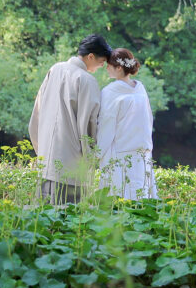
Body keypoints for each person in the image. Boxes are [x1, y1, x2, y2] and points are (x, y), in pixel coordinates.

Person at [29, 34, 112, 204]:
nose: (102, 66)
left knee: (42, 219)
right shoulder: (87, 80)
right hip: (72, 164)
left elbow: (37, 113)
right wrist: (91, 158)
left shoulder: (55, 69)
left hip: (46, 160)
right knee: (68, 221)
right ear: (90, 56)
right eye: (101, 61)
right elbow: (90, 124)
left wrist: (41, 150)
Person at [97, 48, 158, 199]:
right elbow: (148, 120)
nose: (106, 68)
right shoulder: (140, 89)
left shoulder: (110, 92)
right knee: (141, 198)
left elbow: (106, 127)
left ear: (118, 68)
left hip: (119, 154)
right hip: (142, 152)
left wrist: (96, 154)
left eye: (109, 65)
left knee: (119, 200)